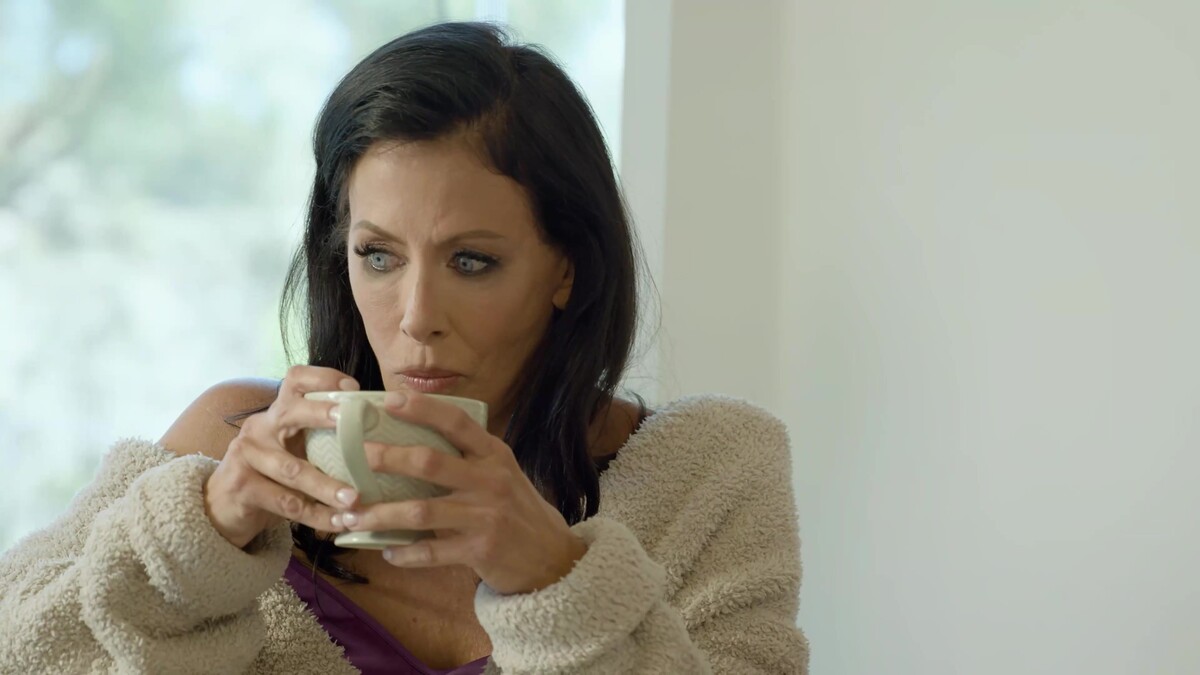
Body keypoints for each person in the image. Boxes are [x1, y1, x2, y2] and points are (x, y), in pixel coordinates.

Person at [0, 22, 809, 674]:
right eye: (379, 256)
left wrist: (556, 577)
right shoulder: (230, 442)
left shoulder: (707, 474)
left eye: (472, 261)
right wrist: (200, 536)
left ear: (566, 268)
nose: (417, 317)